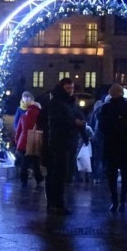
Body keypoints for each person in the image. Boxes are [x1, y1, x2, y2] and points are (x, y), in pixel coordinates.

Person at [40, 78, 83, 214]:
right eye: (68, 88)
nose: (70, 91)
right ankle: (56, 202)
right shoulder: (57, 103)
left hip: (65, 141)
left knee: (58, 172)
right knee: (57, 172)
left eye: (72, 88)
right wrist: (74, 123)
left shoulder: (68, 102)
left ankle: (55, 202)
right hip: (58, 142)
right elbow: (58, 122)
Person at [98, 84, 127, 212]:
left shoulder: (106, 107)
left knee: (112, 174)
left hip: (111, 144)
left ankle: (114, 200)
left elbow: (102, 126)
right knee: (125, 174)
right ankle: (123, 201)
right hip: (126, 144)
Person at [15, 100, 44, 188]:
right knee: (36, 161)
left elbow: (18, 131)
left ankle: (23, 180)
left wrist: (17, 141)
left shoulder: (23, 116)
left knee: (25, 162)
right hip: (35, 142)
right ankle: (39, 179)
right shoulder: (40, 116)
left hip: (23, 142)